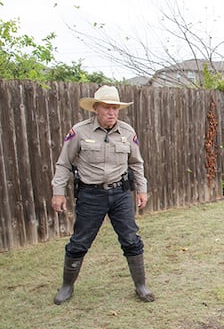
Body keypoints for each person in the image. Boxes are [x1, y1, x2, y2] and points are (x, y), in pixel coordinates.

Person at [51, 85, 155, 304]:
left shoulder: (127, 132)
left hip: (121, 194)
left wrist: (142, 189)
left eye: (115, 108)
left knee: (131, 240)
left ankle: (141, 286)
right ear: (96, 108)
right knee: (79, 242)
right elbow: (64, 164)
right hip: (91, 196)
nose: (112, 112)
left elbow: (136, 163)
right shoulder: (80, 131)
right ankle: (66, 286)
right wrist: (58, 192)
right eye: (107, 108)